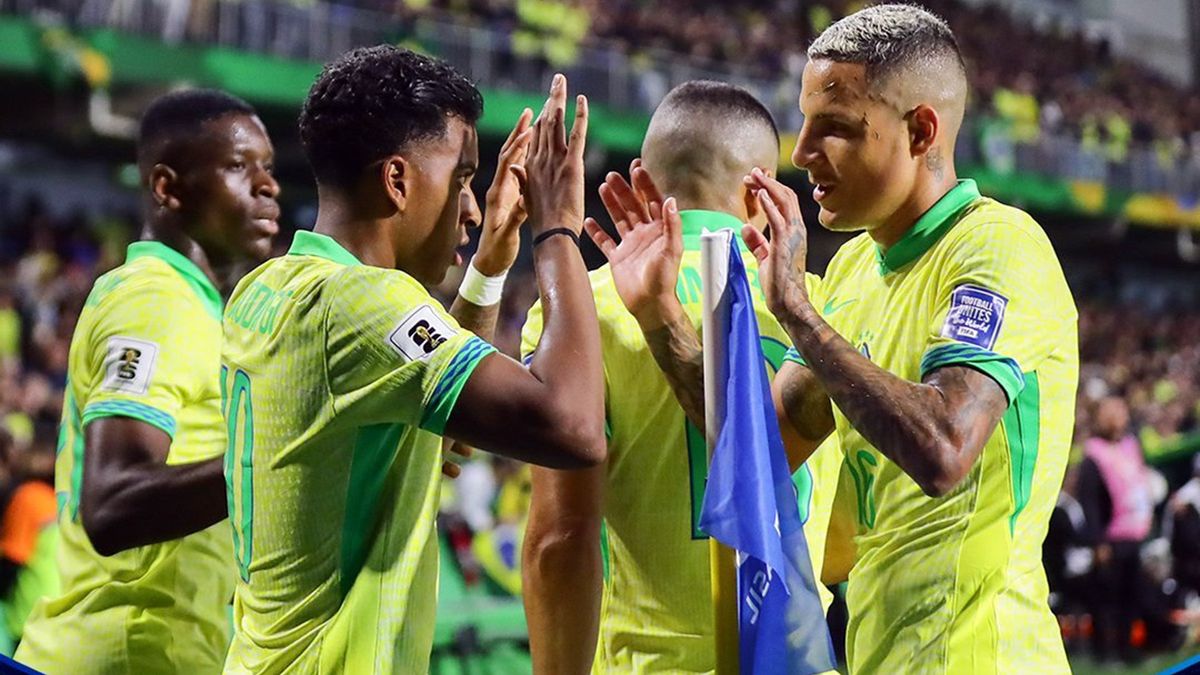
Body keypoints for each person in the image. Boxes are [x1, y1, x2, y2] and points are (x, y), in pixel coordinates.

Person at [220, 47, 606, 674]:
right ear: (397, 181)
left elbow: (444, 436)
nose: (473, 207)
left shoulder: (268, 288)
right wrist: (557, 230)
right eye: (462, 179)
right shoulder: (361, 303)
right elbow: (574, 427)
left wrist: (492, 259)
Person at [744, 5, 1078, 673]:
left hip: (985, 657)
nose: (802, 152)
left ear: (921, 130)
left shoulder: (997, 246)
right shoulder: (853, 270)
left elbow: (946, 447)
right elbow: (765, 450)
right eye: (805, 125)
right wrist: (661, 313)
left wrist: (800, 315)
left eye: (833, 129)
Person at [521, 80, 845, 674]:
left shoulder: (583, 308)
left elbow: (560, 543)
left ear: (642, 179)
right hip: (794, 658)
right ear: (762, 192)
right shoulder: (822, 312)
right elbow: (847, 535)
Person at [16, 89, 281, 673]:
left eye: (268, 167)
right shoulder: (154, 298)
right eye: (239, 166)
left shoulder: (197, 306)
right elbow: (114, 504)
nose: (268, 186)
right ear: (167, 188)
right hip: (124, 653)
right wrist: (288, 454)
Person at [1077, 396, 1154, 661]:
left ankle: (1127, 647)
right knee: (1107, 598)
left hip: (1135, 533)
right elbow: (1090, 502)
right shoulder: (1093, 455)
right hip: (1110, 539)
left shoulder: (1131, 446)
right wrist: (1098, 542)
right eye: (1113, 413)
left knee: (1131, 595)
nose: (1120, 418)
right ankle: (1103, 652)